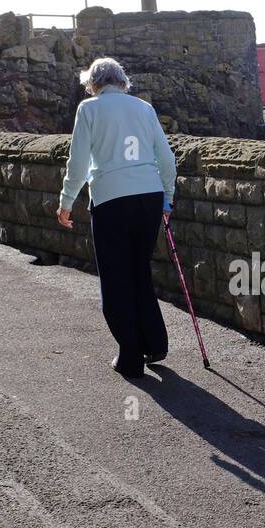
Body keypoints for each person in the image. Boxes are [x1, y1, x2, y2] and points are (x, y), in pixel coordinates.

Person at [57, 58, 177, 379]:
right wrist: (168, 198)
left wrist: (66, 202)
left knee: (115, 278)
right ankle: (154, 341)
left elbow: (78, 162)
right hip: (148, 197)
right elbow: (166, 158)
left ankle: (130, 355)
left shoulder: (89, 109)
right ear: (122, 80)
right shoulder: (143, 109)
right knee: (140, 270)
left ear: (93, 83)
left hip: (111, 199)